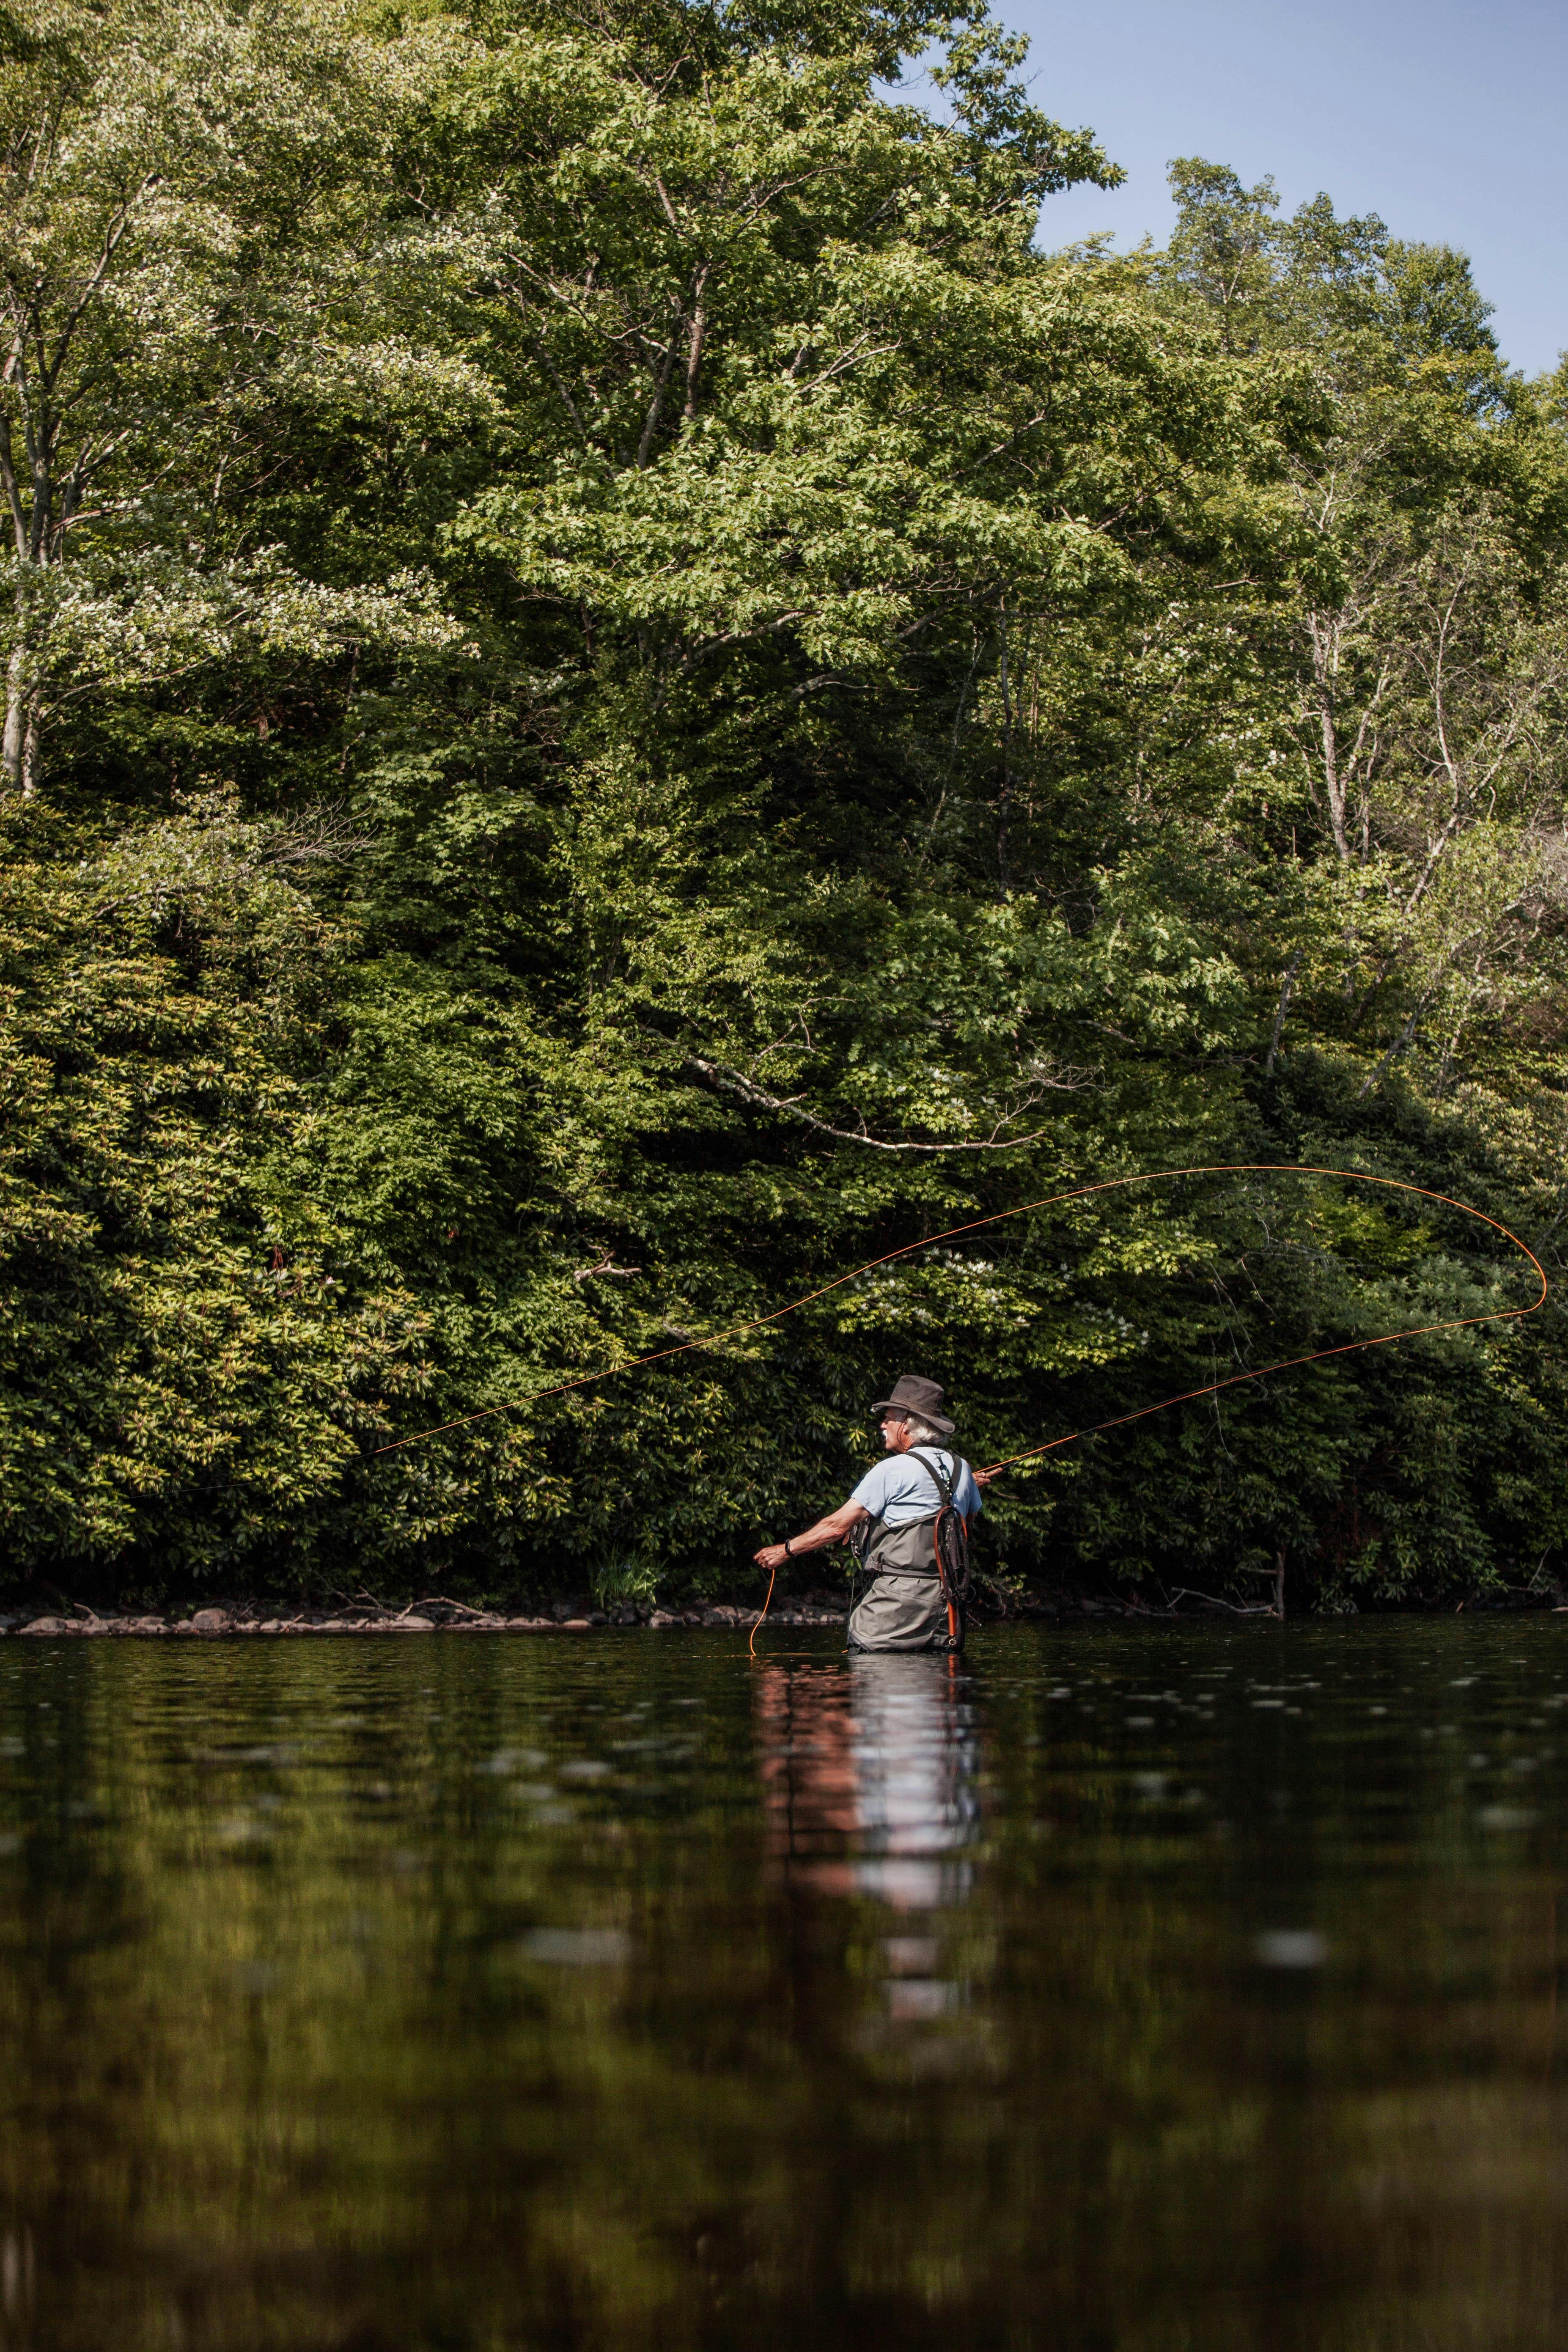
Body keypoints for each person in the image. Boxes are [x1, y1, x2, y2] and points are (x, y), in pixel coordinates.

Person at [752, 1375, 989, 1652]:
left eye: (888, 1418)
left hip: (897, 1601)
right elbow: (963, 1525)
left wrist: (785, 1550)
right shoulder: (962, 1469)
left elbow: (835, 1527)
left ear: (907, 1424)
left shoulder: (892, 1469)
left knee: (868, 1665)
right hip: (947, 1606)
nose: (883, 1425)